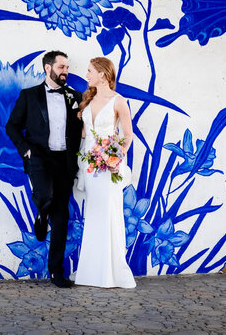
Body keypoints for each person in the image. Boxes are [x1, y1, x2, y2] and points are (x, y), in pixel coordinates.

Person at [5, 50, 83, 288]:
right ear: (48, 68)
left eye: (67, 68)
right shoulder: (29, 96)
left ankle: (56, 272)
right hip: (39, 158)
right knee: (46, 196)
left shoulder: (74, 96)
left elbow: (80, 127)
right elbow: (12, 126)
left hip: (65, 161)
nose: (65, 72)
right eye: (61, 67)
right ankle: (42, 212)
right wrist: (26, 150)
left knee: (62, 216)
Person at [73, 56, 136, 289]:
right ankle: (91, 273)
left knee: (109, 214)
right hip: (89, 165)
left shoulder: (119, 101)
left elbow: (127, 135)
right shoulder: (87, 100)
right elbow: (83, 134)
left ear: (102, 73)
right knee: (94, 215)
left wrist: (115, 157)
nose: (87, 74)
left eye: (90, 71)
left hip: (109, 168)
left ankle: (112, 273)